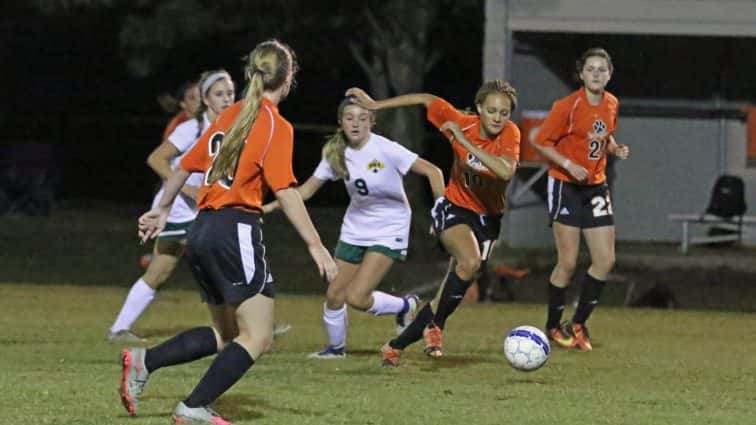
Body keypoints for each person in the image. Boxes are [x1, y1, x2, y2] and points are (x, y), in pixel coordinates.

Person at [120, 39, 337, 424]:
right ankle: (192, 407)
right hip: (233, 229)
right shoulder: (274, 124)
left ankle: (143, 361)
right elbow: (285, 191)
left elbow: (185, 166)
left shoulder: (231, 114)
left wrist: (161, 209)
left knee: (227, 334)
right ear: (288, 79)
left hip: (201, 230)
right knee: (258, 336)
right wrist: (317, 246)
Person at [346, 80, 520, 367]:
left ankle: (400, 343)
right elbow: (427, 98)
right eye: (491, 111)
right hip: (456, 208)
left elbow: (504, 171)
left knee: (452, 292)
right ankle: (424, 331)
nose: (498, 118)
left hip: (489, 219)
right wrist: (377, 105)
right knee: (470, 262)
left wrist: (463, 143)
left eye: (504, 113)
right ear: (479, 109)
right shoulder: (460, 122)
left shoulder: (510, 134)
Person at [263, 97, 445, 359]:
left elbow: (434, 172)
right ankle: (336, 350)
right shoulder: (335, 153)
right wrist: (269, 207)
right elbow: (305, 191)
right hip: (355, 227)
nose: (356, 123)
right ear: (340, 123)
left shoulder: (386, 149)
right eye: (350, 118)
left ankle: (404, 306)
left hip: (390, 226)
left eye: (363, 118)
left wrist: (439, 211)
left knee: (357, 298)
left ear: (372, 121)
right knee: (335, 294)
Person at [107, 70, 236, 343]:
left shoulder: (231, 129)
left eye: (230, 93)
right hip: (178, 208)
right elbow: (156, 159)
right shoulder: (191, 128)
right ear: (206, 99)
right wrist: (186, 189)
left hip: (205, 208)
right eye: (219, 94)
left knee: (220, 266)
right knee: (170, 269)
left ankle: (243, 328)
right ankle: (119, 329)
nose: (226, 99)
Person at [530, 47, 630, 352]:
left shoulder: (612, 103)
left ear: (610, 74)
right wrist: (568, 164)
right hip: (566, 186)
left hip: (596, 186)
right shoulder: (567, 106)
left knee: (605, 260)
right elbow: (540, 140)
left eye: (602, 69)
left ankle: (579, 322)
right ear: (581, 74)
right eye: (591, 69)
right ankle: (552, 324)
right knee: (568, 262)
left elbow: (603, 134)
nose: (597, 74)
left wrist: (614, 149)